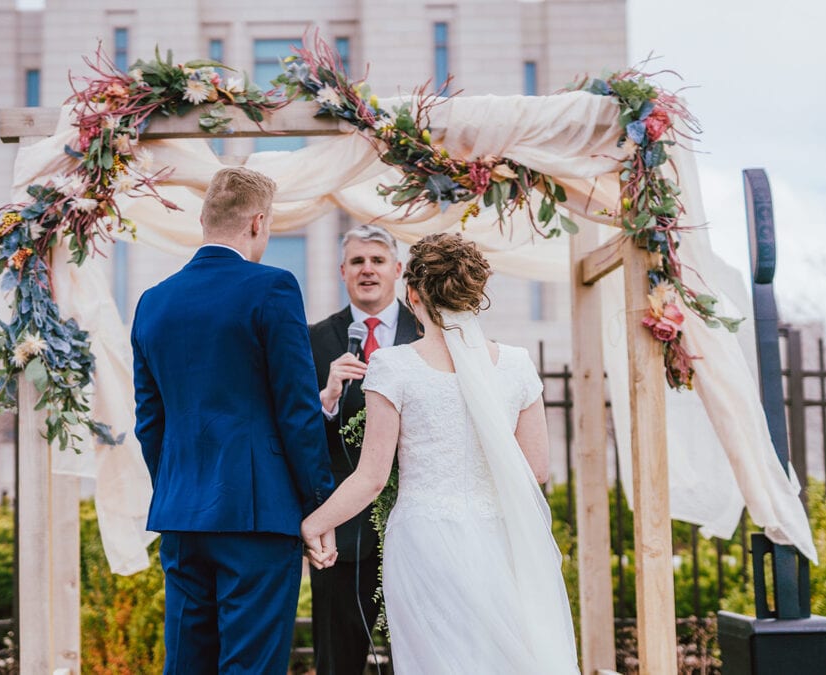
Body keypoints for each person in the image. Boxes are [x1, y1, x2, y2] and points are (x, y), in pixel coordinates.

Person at [301, 233, 580, 674]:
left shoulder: (393, 366)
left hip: (423, 541)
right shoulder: (516, 363)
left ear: (412, 293)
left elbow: (371, 478)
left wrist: (315, 522)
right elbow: (537, 470)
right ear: (475, 294)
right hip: (498, 537)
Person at [131, 167, 337, 674]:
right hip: (258, 516)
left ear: (203, 220)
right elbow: (297, 408)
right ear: (258, 223)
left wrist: (179, 487)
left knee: (188, 665)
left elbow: (149, 420)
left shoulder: (152, 301)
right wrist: (319, 505)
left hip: (181, 514)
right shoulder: (272, 288)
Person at [307, 224, 419, 675]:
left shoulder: (429, 333)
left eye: (376, 260)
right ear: (342, 272)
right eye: (357, 261)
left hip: (415, 524)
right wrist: (327, 399)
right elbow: (295, 434)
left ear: (397, 269)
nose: (367, 269)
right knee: (337, 659)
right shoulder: (314, 339)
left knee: (416, 655)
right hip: (341, 529)